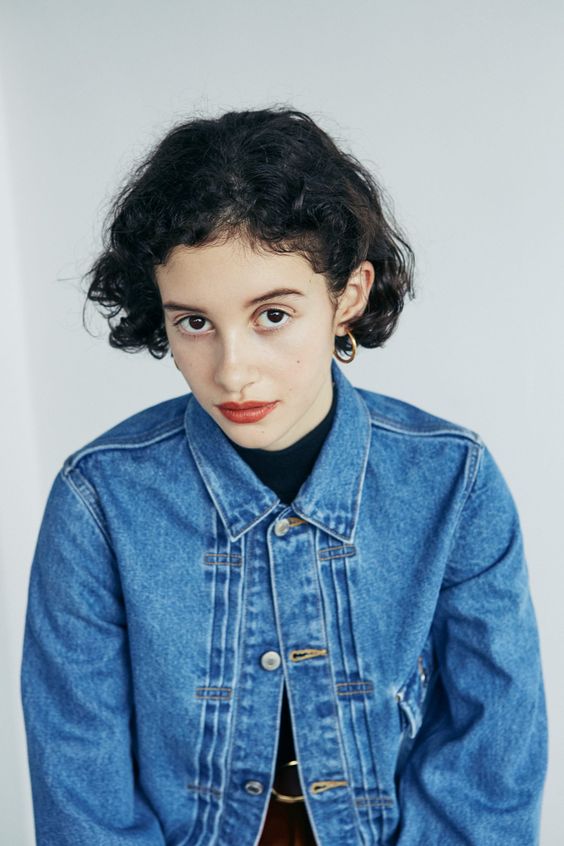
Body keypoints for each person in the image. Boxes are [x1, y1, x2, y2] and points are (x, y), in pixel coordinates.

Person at [20, 106, 547, 846]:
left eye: (271, 315)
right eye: (194, 322)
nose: (232, 370)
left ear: (348, 297)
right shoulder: (99, 501)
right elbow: (81, 782)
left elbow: (492, 758)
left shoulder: (452, 482)